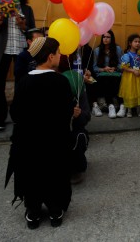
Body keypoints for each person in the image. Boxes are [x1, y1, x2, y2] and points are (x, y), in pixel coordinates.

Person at [5, 37, 81, 229]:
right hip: (54, 143)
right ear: (50, 57)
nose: (61, 55)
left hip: (28, 143)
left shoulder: (23, 82)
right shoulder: (60, 82)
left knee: (31, 175)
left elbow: (15, 113)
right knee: (54, 175)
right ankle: (55, 211)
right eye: (58, 52)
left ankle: (33, 211)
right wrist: (72, 112)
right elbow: (65, 112)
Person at [0, 0, 35, 131]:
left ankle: (17, 116)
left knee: (21, 85)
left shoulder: (27, 10)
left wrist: (23, 26)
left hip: (21, 51)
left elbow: (33, 33)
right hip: (3, 51)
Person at [59, 50, 92, 184]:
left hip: (74, 130)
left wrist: (78, 115)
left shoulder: (76, 83)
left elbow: (86, 116)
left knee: (79, 136)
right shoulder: (47, 82)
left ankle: (76, 167)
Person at [92, 30, 125, 118]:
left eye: (108, 37)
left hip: (115, 73)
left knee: (116, 80)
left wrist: (115, 68)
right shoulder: (97, 50)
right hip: (102, 74)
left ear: (112, 38)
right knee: (106, 80)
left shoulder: (117, 49)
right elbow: (94, 67)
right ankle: (111, 106)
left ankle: (122, 106)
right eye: (104, 37)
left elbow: (122, 64)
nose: (105, 39)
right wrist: (104, 69)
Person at [118, 33, 140, 118]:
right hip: (130, 77)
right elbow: (123, 66)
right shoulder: (127, 55)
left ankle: (139, 109)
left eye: (139, 42)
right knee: (131, 92)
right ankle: (129, 110)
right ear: (130, 43)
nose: (137, 43)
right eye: (135, 41)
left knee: (139, 92)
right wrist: (133, 70)